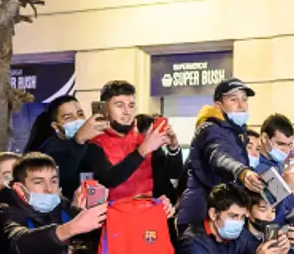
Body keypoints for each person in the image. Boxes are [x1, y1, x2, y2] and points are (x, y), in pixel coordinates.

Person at [179, 78, 263, 224]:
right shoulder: (211, 130)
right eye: (233, 100)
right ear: (219, 106)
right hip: (202, 215)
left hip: (223, 212)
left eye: (244, 99)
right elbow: (219, 156)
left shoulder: (236, 132)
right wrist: (242, 172)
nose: (241, 105)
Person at [83, 80, 180, 201]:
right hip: (113, 215)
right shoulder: (94, 144)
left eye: (131, 106)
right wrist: (142, 151)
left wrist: (173, 148)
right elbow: (108, 179)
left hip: (148, 214)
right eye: (119, 105)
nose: (127, 111)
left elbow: (174, 174)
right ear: (105, 108)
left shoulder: (145, 140)